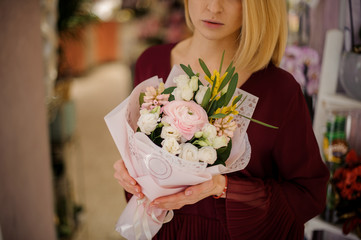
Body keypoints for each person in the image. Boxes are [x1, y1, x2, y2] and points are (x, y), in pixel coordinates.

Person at [113, 0, 330, 239]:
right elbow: (142, 169)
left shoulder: (279, 90)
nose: (214, 7)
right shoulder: (151, 63)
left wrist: (224, 188)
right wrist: (132, 176)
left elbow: (309, 196)